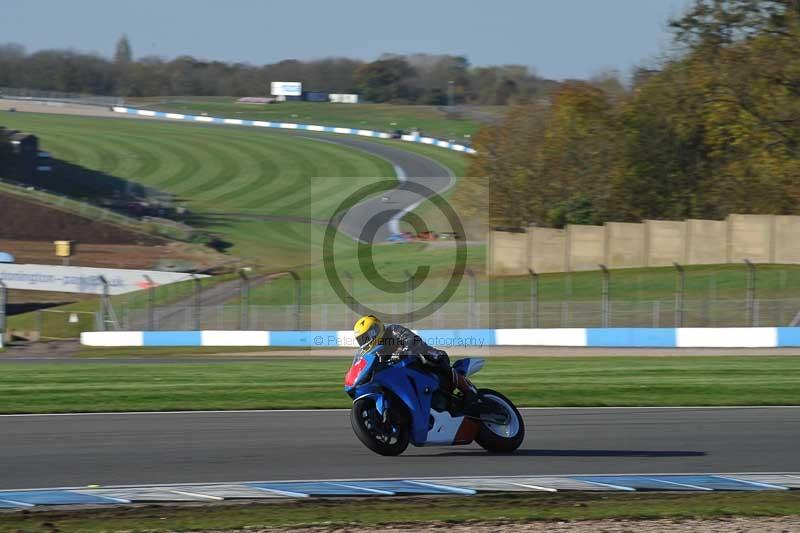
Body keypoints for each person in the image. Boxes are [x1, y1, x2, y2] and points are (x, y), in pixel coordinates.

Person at [353, 314, 478, 408]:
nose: (365, 342)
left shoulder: (393, 330)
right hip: (401, 373)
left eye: (367, 337)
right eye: (361, 339)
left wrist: (403, 351)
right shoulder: (371, 352)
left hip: (419, 359)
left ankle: (467, 390)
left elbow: (413, 340)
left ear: (376, 329)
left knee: (431, 358)